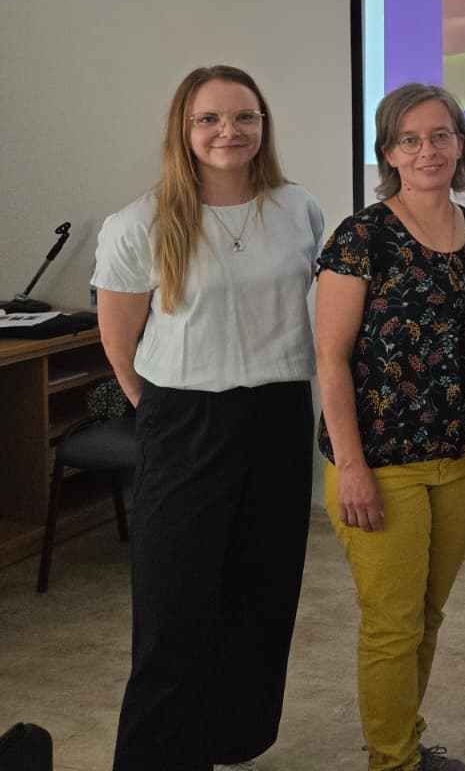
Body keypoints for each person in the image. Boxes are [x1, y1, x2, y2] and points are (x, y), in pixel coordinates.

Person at [95, 65, 324, 771]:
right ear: (183, 131)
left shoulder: (298, 209)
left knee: (261, 593)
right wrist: (160, 411)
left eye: (244, 117)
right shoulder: (140, 222)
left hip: (280, 415)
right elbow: (120, 339)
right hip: (185, 419)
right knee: (174, 609)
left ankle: (232, 739)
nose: (229, 132)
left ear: (264, 127)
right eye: (210, 120)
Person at [315, 83, 465, 771]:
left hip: (462, 460)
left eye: (440, 135)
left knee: (427, 616)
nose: (427, 149)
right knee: (393, 624)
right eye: (410, 138)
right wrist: (352, 467)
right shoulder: (361, 238)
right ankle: (392, 763)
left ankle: (404, 744)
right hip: (380, 467)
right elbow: (331, 360)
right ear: (388, 152)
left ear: (460, 144)